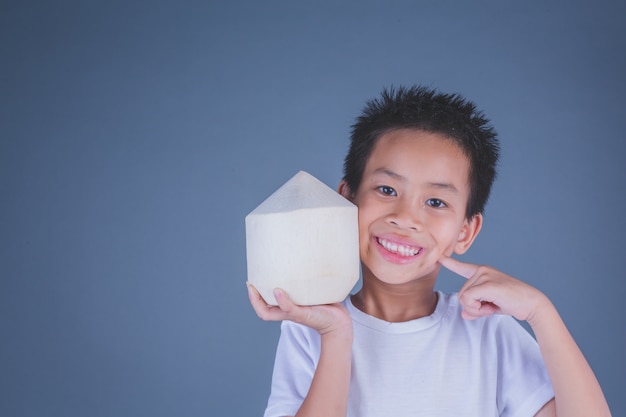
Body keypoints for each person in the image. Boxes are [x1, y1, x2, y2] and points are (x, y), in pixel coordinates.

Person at [247, 85, 612, 417]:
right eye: (387, 190)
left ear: (465, 232)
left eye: (436, 201)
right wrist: (337, 336)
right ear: (346, 199)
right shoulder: (312, 328)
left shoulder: (490, 335)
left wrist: (540, 312)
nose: (405, 219)